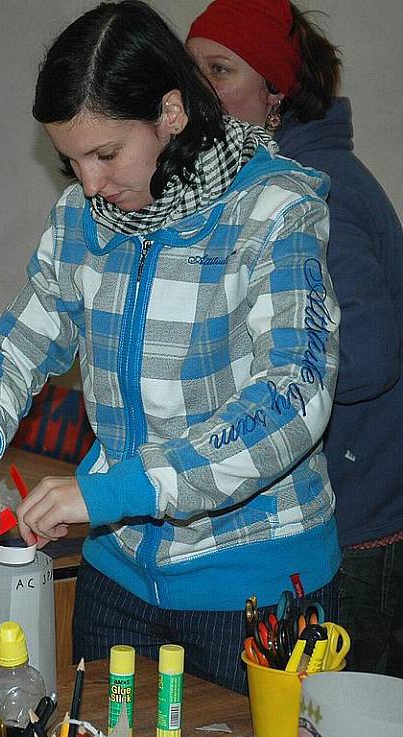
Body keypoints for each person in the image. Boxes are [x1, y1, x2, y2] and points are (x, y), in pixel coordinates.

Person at [0, 0, 341, 694]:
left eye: (105, 154)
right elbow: (16, 342)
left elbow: (292, 399)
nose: (89, 183)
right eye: (71, 160)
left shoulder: (275, 209)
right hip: (117, 576)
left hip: (249, 587)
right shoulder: (82, 219)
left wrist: (116, 488)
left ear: (172, 113)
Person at [187, 0, 403, 678]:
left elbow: (368, 358)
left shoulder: (320, 195)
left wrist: (262, 382)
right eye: (190, 69)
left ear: (276, 95)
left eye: (219, 71)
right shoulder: (273, 181)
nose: (198, 91)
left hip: (362, 524)